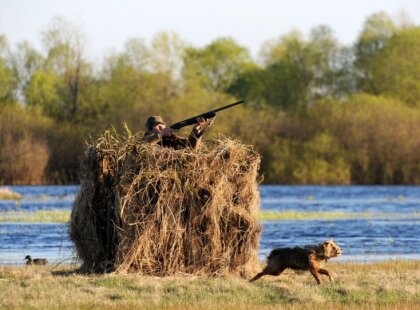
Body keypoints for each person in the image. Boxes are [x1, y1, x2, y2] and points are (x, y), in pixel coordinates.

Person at [142, 115, 214, 150]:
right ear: (149, 131)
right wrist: (160, 134)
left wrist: (196, 128)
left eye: (162, 125)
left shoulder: (171, 139)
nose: (161, 128)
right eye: (157, 126)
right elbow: (144, 145)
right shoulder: (143, 142)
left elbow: (191, 147)